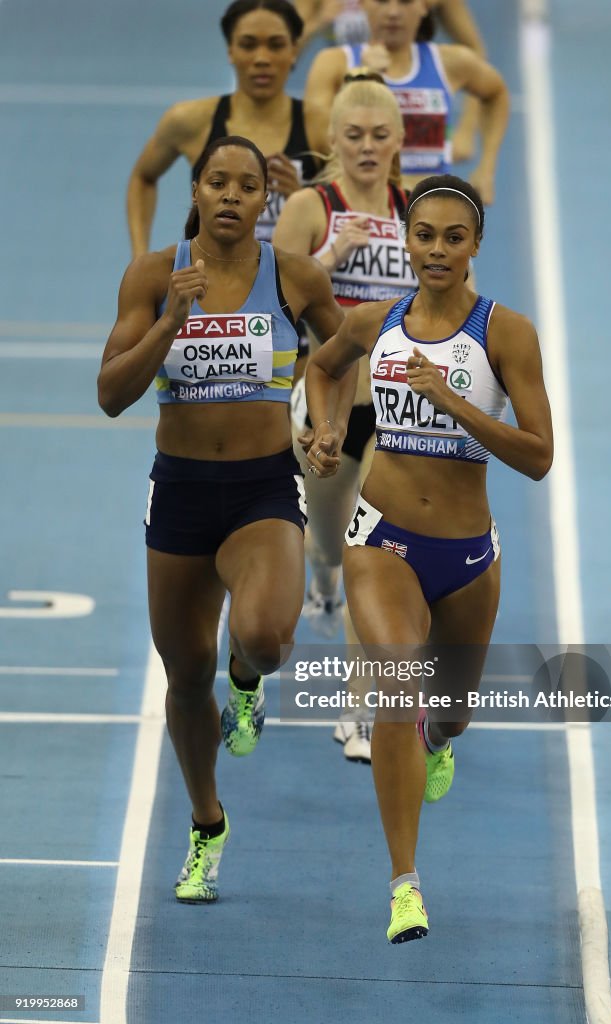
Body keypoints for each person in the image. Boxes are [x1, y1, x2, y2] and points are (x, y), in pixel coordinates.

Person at [302, 174, 553, 942]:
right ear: (405, 241)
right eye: (424, 235)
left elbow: (539, 457)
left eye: (453, 237)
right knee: (398, 688)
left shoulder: (505, 334)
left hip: (470, 555)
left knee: (449, 714)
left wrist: (455, 403)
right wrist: (324, 429)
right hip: (381, 539)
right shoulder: (375, 321)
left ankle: (439, 742)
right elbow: (322, 366)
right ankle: (403, 884)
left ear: (476, 246)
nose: (437, 250)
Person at [99, 136, 349, 903]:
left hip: (262, 490)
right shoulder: (153, 275)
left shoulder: (294, 276)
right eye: (218, 182)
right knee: (181, 676)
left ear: (265, 200)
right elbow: (111, 392)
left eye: (248, 185)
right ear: (198, 191)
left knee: (267, 638)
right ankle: (208, 823)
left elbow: (342, 352)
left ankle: (248, 676)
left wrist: (328, 422)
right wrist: (169, 322)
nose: (234, 195)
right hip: (178, 492)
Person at [274, 73, 416, 763]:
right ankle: (320, 578)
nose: (366, 147)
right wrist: (332, 256)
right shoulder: (311, 204)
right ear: (332, 139)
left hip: (392, 415)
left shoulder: (414, 206)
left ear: (399, 141)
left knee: (373, 556)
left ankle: (358, 710)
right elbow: (275, 300)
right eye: (353, 136)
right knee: (329, 546)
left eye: (379, 136)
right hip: (325, 402)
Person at [127, 0, 322, 257]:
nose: (262, 58)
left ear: (294, 50)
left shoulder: (323, 127)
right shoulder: (191, 121)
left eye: (275, 45)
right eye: (248, 45)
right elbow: (143, 177)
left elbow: (355, 210)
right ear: (231, 50)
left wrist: (303, 200)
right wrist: (140, 256)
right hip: (209, 285)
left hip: (290, 287)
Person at [302, 0, 509, 200]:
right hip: (362, 214)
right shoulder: (333, 64)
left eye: (405, 1)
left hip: (426, 215)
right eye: (382, 1)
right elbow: (318, 144)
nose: (393, 12)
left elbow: (496, 93)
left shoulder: (449, 63)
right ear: (363, 3)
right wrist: (361, 79)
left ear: (424, 5)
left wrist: (486, 168)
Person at [294, 0, 487, 160]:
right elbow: (288, 50)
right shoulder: (332, 59)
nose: (393, 11)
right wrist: (318, 22)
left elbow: (474, 48)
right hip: (347, 87)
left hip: (409, 87)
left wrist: (467, 130)